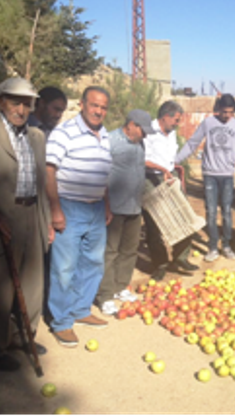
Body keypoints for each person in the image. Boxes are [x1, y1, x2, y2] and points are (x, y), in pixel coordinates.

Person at [0, 77, 52, 371]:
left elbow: (41, 184)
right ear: (1, 100)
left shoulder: (35, 136)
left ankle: (23, 337)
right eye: (15, 101)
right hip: (0, 217)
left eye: (27, 102)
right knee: (0, 290)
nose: (21, 108)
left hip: (32, 214)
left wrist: (47, 223)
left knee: (32, 284)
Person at [46, 86, 113, 348]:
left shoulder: (104, 135)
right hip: (69, 206)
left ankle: (81, 309)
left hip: (95, 207)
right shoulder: (64, 133)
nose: (99, 111)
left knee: (93, 262)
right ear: (83, 105)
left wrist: (106, 204)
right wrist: (55, 208)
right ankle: (62, 322)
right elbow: (49, 171)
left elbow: (103, 174)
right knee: (64, 267)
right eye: (94, 105)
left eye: (104, 107)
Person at [96, 110, 156, 316]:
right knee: (110, 252)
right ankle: (105, 295)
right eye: (142, 130)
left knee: (129, 250)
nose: (145, 135)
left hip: (134, 206)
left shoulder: (140, 143)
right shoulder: (110, 140)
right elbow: (100, 173)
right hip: (114, 207)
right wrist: (104, 204)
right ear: (130, 125)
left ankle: (121, 287)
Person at [176, 94, 235, 262]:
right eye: (224, 112)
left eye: (230, 112)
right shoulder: (208, 123)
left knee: (227, 212)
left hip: (227, 175)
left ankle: (227, 245)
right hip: (210, 175)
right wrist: (175, 160)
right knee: (210, 212)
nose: (227, 116)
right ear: (218, 109)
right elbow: (192, 143)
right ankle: (213, 247)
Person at [143, 101, 199, 281]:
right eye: (175, 119)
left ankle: (180, 257)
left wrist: (172, 172)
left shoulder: (171, 132)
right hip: (151, 178)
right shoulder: (147, 131)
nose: (177, 123)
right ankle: (160, 264)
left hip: (170, 175)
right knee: (155, 224)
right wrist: (163, 169)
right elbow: (140, 159)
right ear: (165, 117)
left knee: (184, 216)